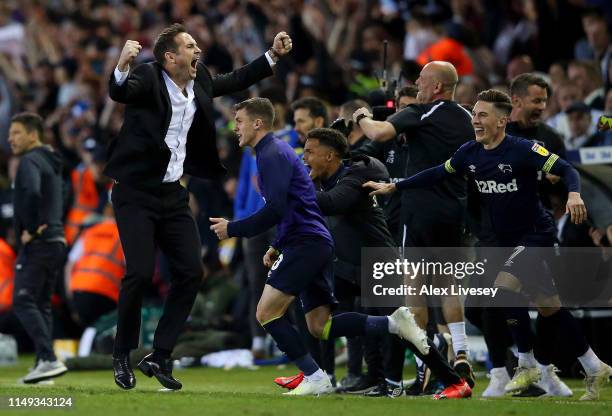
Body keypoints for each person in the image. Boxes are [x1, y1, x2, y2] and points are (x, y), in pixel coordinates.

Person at [365, 89, 612, 401]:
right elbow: (438, 173)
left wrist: (574, 194)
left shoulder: (523, 149)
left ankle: (525, 363)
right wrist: (396, 185)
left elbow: (566, 169)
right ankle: (594, 364)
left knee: (504, 288)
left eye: (482, 115)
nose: (476, 120)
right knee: (549, 306)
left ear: (502, 120)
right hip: (504, 240)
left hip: (536, 235)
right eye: (475, 114)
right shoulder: (470, 152)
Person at [210, 98, 448, 397]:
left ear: (258, 123)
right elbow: (293, 209)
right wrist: (278, 245)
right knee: (319, 326)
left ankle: (315, 375)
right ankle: (391, 325)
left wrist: (234, 228)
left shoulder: (272, 154)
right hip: (312, 242)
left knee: (266, 312)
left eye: (240, 121)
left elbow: (279, 209)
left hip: (308, 244)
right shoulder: (273, 153)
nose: (236, 128)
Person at [106, 23, 293, 390]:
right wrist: (122, 65)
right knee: (140, 273)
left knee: (192, 271)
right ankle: (121, 353)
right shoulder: (147, 76)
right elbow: (120, 92)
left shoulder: (200, 78)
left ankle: (160, 355)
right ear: (170, 57)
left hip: (173, 194)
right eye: (190, 46)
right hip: (134, 193)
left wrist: (272, 55)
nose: (198, 51)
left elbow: (236, 80)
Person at [352, 61, 475, 388]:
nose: (417, 86)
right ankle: (461, 350)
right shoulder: (466, 117)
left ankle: (429, 362)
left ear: (437, 87)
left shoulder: (421, 113)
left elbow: (378, 133)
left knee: (415, 291)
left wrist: (362, 115)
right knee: (449, 285)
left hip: (420, 209)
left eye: (421, 81)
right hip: (455, 209)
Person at [9, 112, 67, 383]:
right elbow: (62, 193)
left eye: (17, 132)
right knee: (41, 304)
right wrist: (52, 221)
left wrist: (31, 228)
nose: (11, 138)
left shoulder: (30, 160)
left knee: (22, 300)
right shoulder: (51, 161)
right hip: (56, 240)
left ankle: (48, 358)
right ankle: (44, 369)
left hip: (40, 243)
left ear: (33, 135)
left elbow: (31, 192)